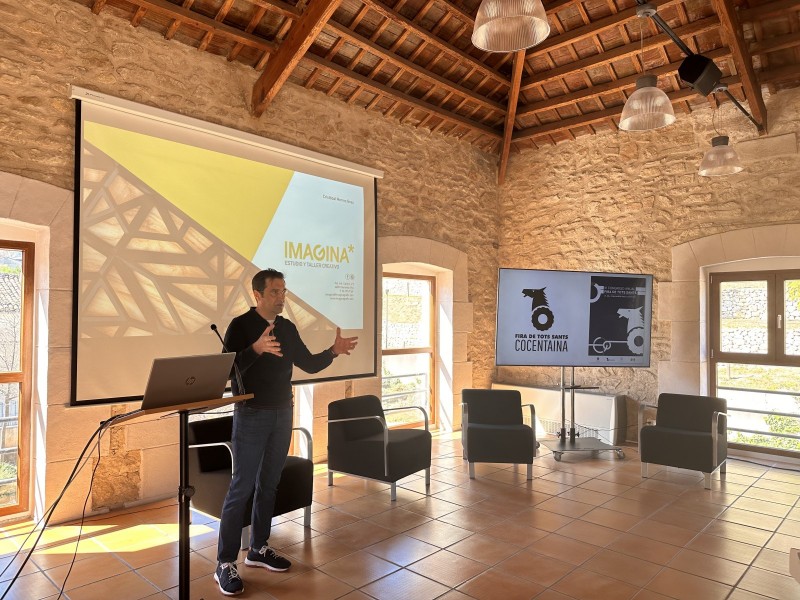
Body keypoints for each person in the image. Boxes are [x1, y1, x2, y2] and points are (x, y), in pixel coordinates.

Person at [214, 268, 358, 596]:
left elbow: (309, 363)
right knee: (242, 487)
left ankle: (258, 549)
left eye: (284, 291)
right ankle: (224, 562)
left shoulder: (288, 328)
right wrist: (255, 349)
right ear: (258, 295)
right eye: (275, 292)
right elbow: (226, 371)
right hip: (251, 414)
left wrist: (333, 351)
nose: (282, 297)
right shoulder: (240, 326)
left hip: (282, 412)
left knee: (269, 484)